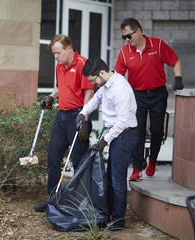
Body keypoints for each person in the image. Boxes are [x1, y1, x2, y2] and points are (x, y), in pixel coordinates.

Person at [115, 18, 184, 181]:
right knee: (137, 132)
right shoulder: (125, 52)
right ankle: (138, 168)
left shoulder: (158, 45)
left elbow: (175, 61)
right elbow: (117, 77)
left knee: (157, 131)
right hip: (137, 96)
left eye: (129, 36)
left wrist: (178, 78)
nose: (127, 40)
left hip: (158, 95)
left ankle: (152, 160)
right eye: (124, 37)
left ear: (138, 31)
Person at [34, 34, 94, 212]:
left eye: (58, 52)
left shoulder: (83, 64)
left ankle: (79, 203)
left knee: (78, 161)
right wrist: (51, 98)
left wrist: (85, 120)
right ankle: (53, 199)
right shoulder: (60, 66)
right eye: (54, 53)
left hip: (77, 116)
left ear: (69, 49)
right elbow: (60, 86)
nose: (56, 56)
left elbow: (89, 93)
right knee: (53, 158)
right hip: (61, 116)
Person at [76, 57, 138, 230]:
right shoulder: (105, 85)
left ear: (101, 73)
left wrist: (105, 139)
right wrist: (83, 113)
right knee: (111, 176)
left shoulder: (120, 88)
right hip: (116, 134)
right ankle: (109, 214)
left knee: (117, 180)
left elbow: (123, 120)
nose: (93, 84)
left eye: (93, 80)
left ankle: (118, 221)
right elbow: (95, 100)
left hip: (125, 134)